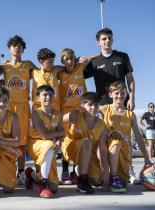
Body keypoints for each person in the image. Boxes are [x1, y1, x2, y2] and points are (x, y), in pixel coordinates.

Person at [84, 27, 139, 184]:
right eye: (103, 39)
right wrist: (85, 60)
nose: (107, 41)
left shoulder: (122, 57)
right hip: (102, 106)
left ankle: (129, 169)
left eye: (109, 38)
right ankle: (104, 171)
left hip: (123, 102)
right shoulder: (94, 62)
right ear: (98, 42)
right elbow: (76, 71)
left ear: (113, 39)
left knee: (125, 137)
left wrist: (132, 97)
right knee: (103, 139)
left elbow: (130, 79)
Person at [100, 81, 151, 193]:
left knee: (124, 184)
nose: (120, 96)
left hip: (124, 151)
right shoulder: (104, 109)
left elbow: (138, 137)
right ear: (110, 94)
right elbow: (86, 108)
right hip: (109, 148)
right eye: (116, 93)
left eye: (122, 93)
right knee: (115, 143)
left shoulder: (130, 114)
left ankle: (117, 176)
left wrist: (147, 158)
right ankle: (113, 176)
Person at [2, 35, 35, 185]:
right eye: (14, 46)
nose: (17, 48)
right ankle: (5, 171)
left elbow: (43, 71)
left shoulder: (28, 64)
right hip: (7, 106)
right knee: (7, 139)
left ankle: (21, 172)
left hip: (22, 105)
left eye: (20, 46)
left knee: (21, 141)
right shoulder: (5, 66)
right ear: (9, 49)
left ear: (23, 49)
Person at [62, 92, 109, 193]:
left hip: (88, 153)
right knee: (87, 142)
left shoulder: (102, 125)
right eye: (90, 105)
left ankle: (82, 169)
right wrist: (56, 138)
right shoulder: (75, 115)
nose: (93, 107)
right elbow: (57, 121)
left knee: (97, 181)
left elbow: (103, 149)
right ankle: (82, 181)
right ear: (82, 106)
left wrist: (106, 172)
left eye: (96, 104)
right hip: (71, 149)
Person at [26, 85, 64, 198]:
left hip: (50, 147)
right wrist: (60, 134)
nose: (48, 97)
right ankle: (43, 184)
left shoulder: (58, 114)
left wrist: (58, 141)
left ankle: (31, 174)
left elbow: (60, 134)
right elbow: (45, 134)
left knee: (54, 188)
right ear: (38, 98)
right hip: (35, 144)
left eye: (51, 95)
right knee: (48, 143)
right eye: (45, 95)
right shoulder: (36, 113)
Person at [59, 48, 88, 185]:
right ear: (63, 61)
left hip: (81, 111)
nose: (70, 61)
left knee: (78, 139)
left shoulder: (80, 68)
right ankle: (64, 172)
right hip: (66, 112)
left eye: (72, 58)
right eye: (67, 59)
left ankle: (73, 171)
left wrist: (84, 58)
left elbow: (93, 57)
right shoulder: (59, 73)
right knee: (67, 141)